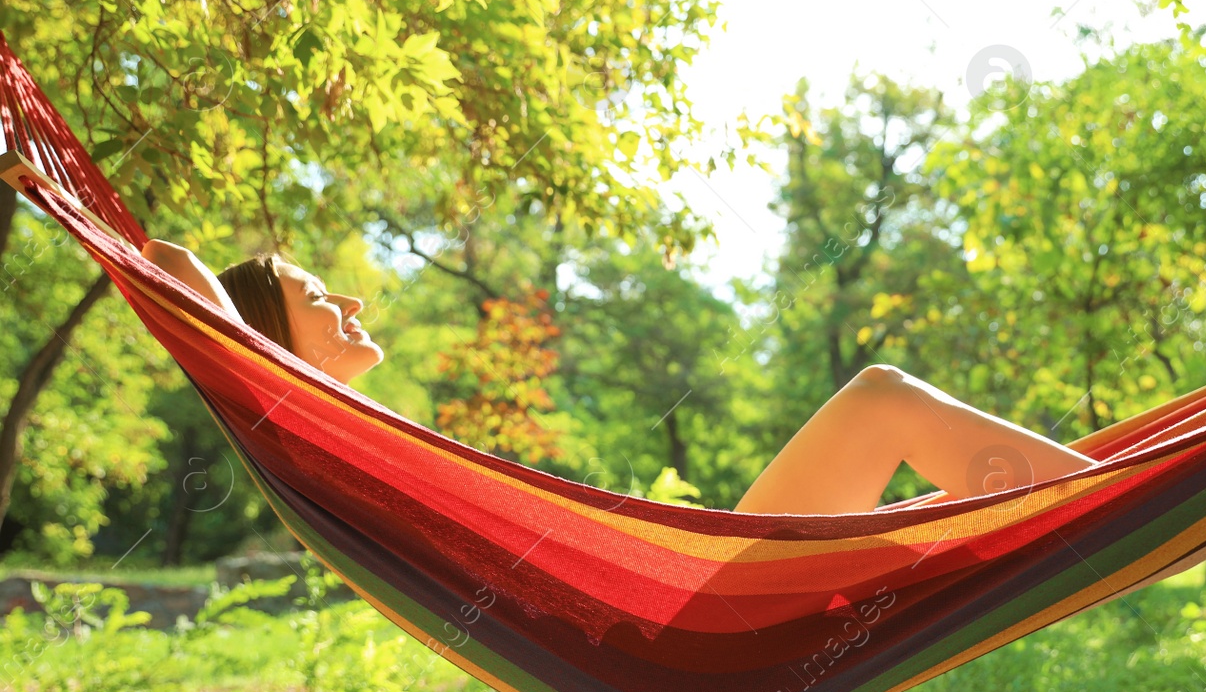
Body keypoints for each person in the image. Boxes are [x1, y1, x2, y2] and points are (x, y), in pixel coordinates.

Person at [140, 240, 1099, 515]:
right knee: (882, 395)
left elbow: (181, 272)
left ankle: (1123, 501)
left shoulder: (337, 432)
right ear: (269, 341)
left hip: (687, 605)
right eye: (315, 293)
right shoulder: (313, 422)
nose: (348, 300)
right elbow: (175, 260)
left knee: (918, 499)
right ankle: (1120, 508)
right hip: (682, 631)